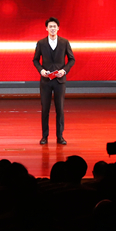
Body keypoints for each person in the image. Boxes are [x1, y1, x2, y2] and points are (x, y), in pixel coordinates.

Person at [33, 17, 75, 145]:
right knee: (45, 109)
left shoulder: (64, 42)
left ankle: (60, 136)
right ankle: (44, 136)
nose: (52, 28)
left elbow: (72, 59)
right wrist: (41, 70)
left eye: (54, 26)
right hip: (46, 81)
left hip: (59, 81)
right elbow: (35, 60)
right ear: (46, 28)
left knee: (60, 109)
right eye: (50, 26)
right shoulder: (41, 43)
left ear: (58, 28)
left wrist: (64, 70)